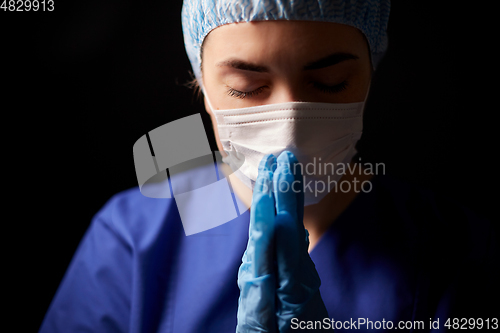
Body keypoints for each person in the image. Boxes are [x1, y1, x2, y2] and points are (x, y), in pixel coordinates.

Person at [39, 0, 498, 332]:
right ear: (201, 84)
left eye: (330, 83)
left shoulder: (457, 249)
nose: (290, 124)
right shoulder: (132, 240)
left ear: (371, 72)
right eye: (244, 87)